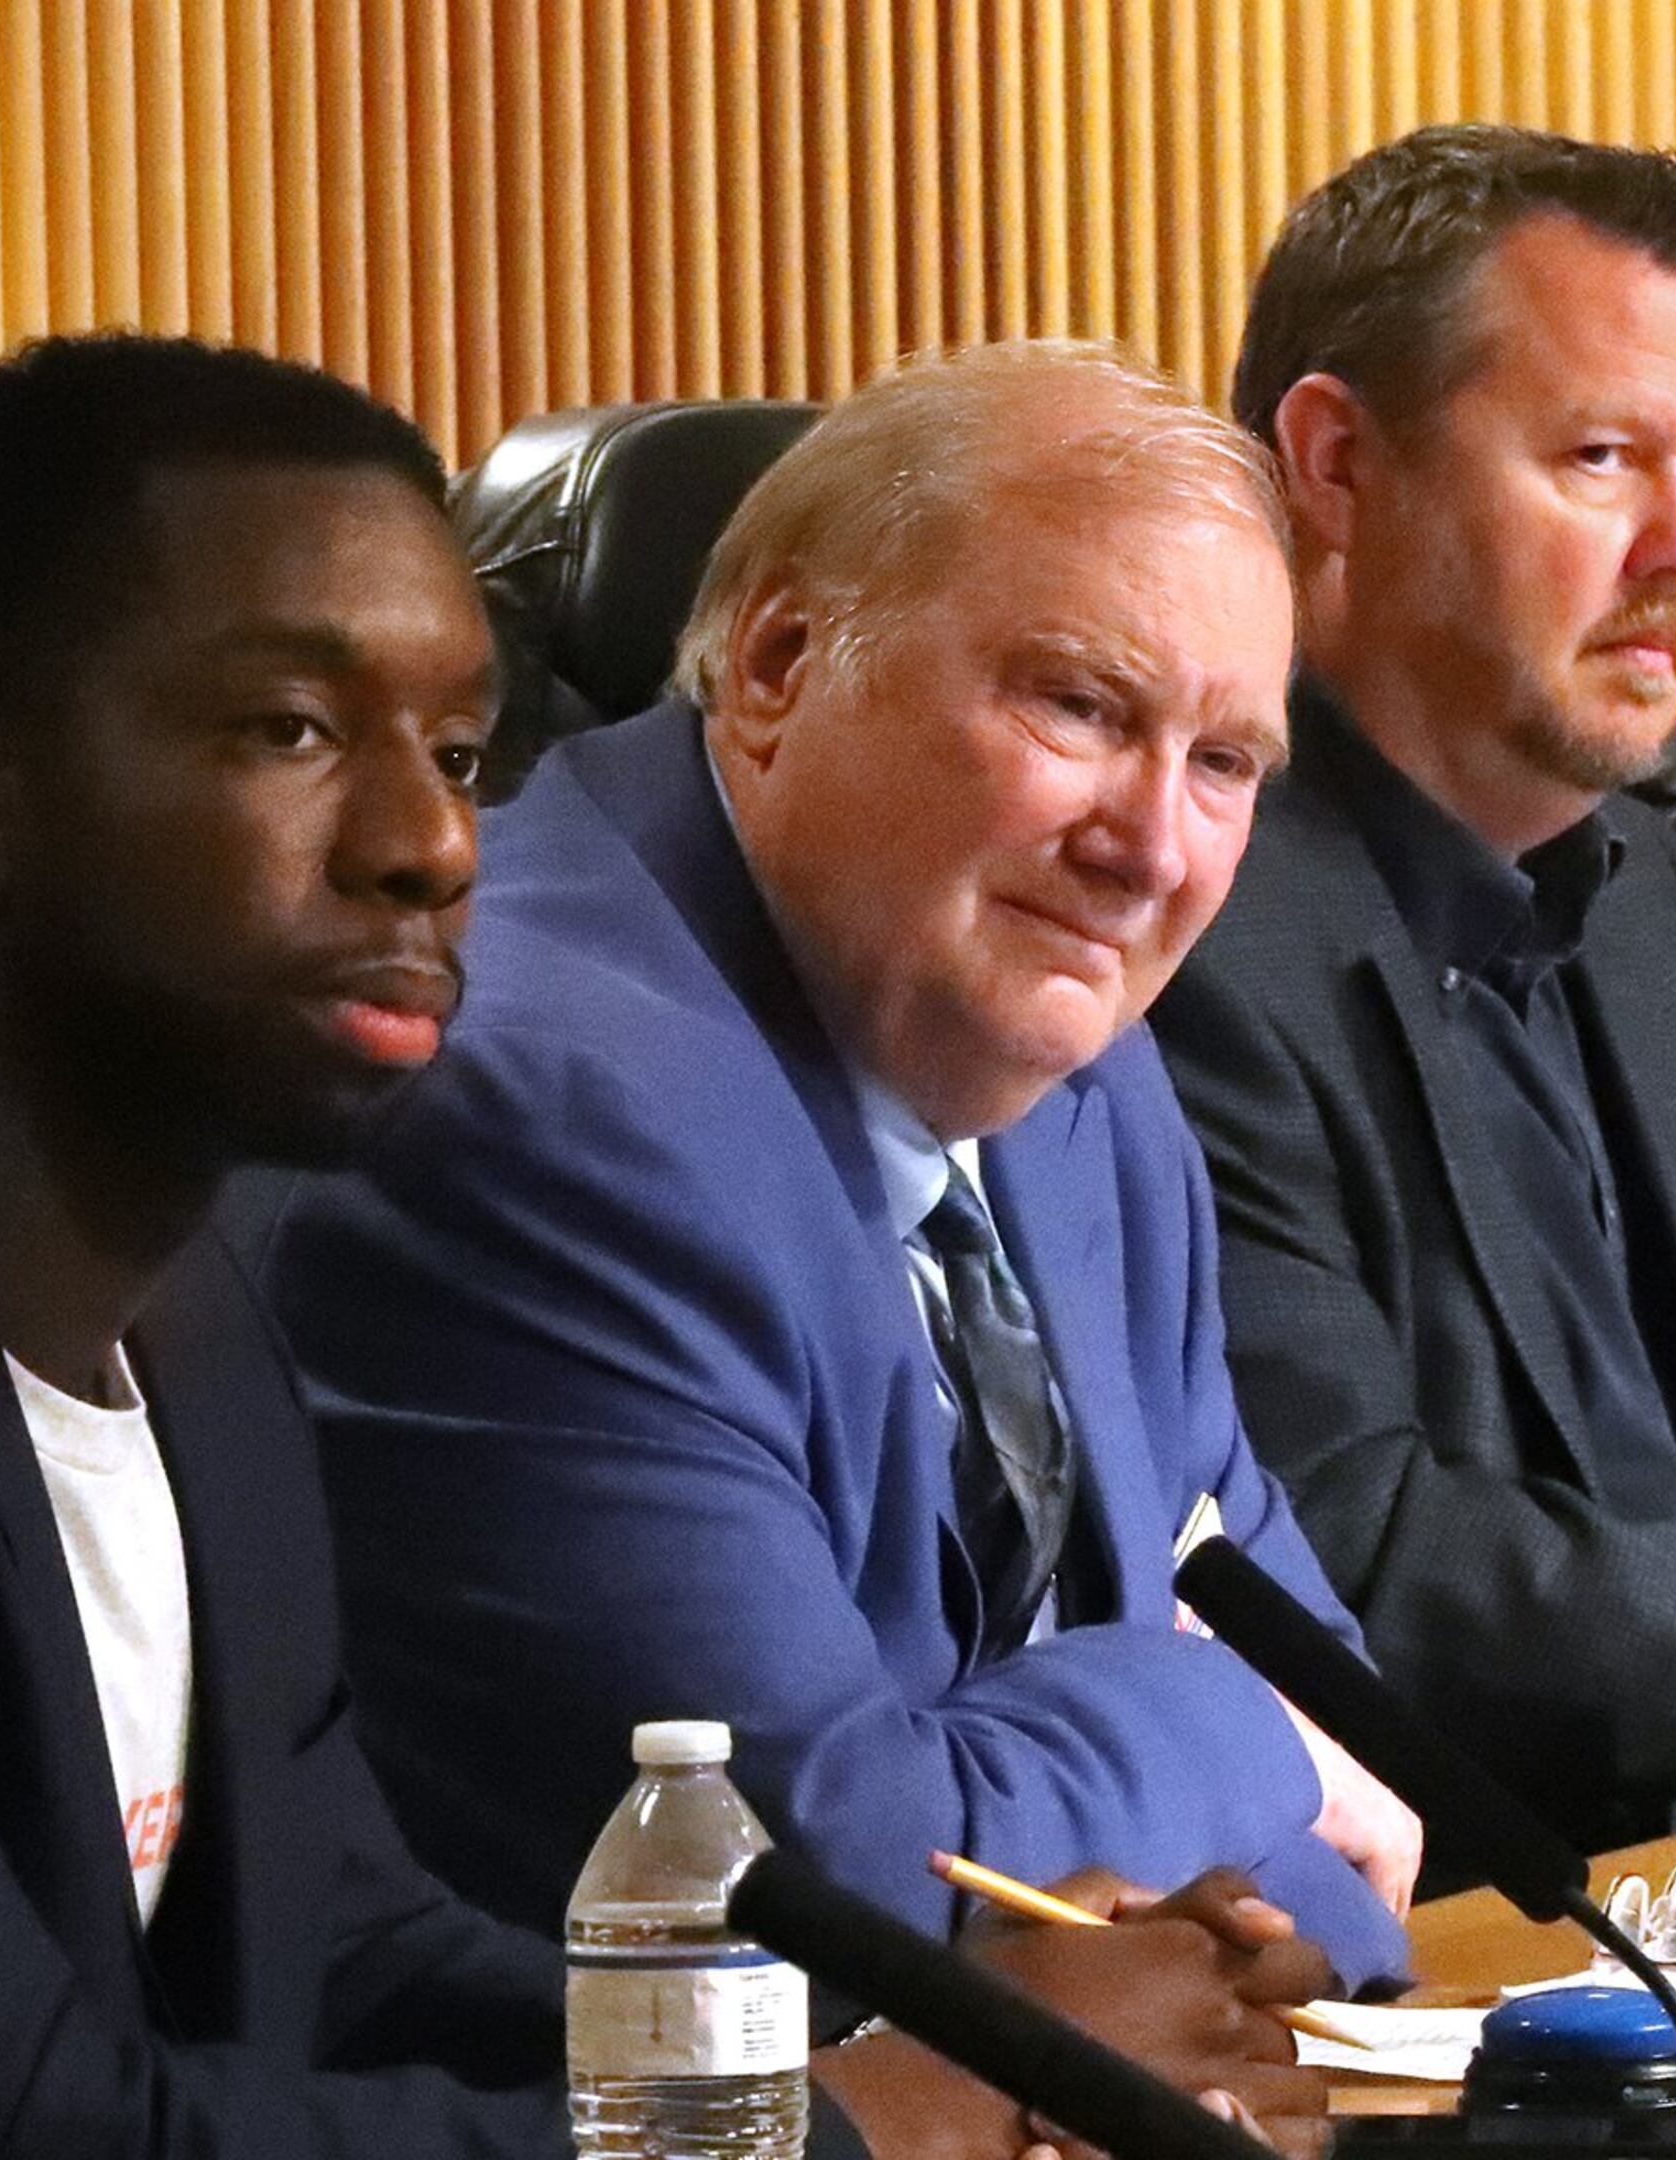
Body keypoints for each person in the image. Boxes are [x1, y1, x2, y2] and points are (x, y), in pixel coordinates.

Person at [0, 332, 1328, 2156]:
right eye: (287, 732)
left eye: (452, 748)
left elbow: (340, 1950)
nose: (430, 843)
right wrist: (826, 2131)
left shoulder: (174, 1296)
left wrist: (948, 2047)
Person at [259, 341, 1422, 1988]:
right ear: (783, 661)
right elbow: (828, 1878)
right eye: (1082, 707)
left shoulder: (1089, 1093)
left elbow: (1358, 1869)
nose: (1154, 850)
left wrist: (1232, 1786)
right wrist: (1237, 1729)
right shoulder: (523, 1109)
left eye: (1224, 762)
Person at [1145, 124, 1676, 1851]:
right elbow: (1363, 1559)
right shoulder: (1182, 917)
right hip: (1474, 1927)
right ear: (1335, 464)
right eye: (1603, 459)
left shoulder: (1655, 895)